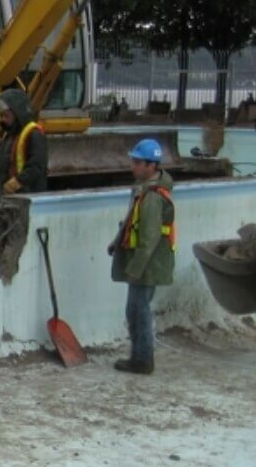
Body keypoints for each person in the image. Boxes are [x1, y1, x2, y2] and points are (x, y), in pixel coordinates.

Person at [107, 138, 176, 375]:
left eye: (137, 162)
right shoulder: (145, 190)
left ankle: (142, 360)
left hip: (147, 263)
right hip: (147, 262)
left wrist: (135, 268)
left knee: (138, 310)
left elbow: (148, 238)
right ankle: (140, 357)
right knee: (136, 309)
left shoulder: (153, 197)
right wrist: (116, 243)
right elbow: (132, 223)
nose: (132, 166)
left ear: (151, 166)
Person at [0, 88, 48, 203]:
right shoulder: (10, 135)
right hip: (9, 198)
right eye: (2, 116)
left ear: (17, 113)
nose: (3, 120)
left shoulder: (34, 134)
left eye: (6, 116)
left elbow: (36, 166)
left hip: (26, 197)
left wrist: (17, 182)